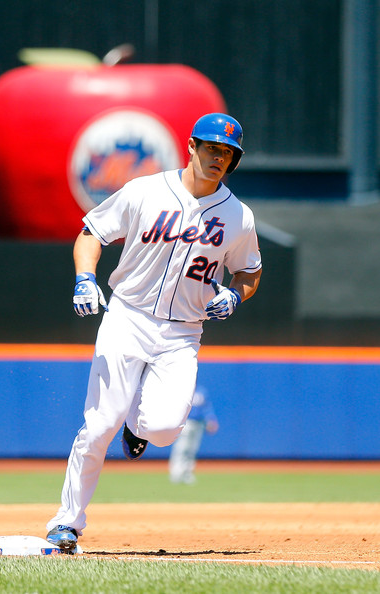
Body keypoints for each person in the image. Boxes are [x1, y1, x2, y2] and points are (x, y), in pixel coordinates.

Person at [46, 112, 262, 553]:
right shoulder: (145, 190)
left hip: (183, 332)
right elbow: (91, 233)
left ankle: (138, 426)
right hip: (127, 316)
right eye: (211, 147)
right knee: (99, 425)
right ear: (192, 146)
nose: (218, 157)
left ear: (234, 161)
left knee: (163, 429)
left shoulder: (238, 216)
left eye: (227, 153)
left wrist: (235, 296)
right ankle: (66, 522)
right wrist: (84, 278)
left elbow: (250, 271)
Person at [169, 385, 219, 484]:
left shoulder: (201, 391)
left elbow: (207, 408)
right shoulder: (183, 389)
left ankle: (187, 473)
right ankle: (176, 473)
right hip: (185, 423)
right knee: (181, 448)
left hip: (198, 423)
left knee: (192, 450)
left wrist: (211, 419)